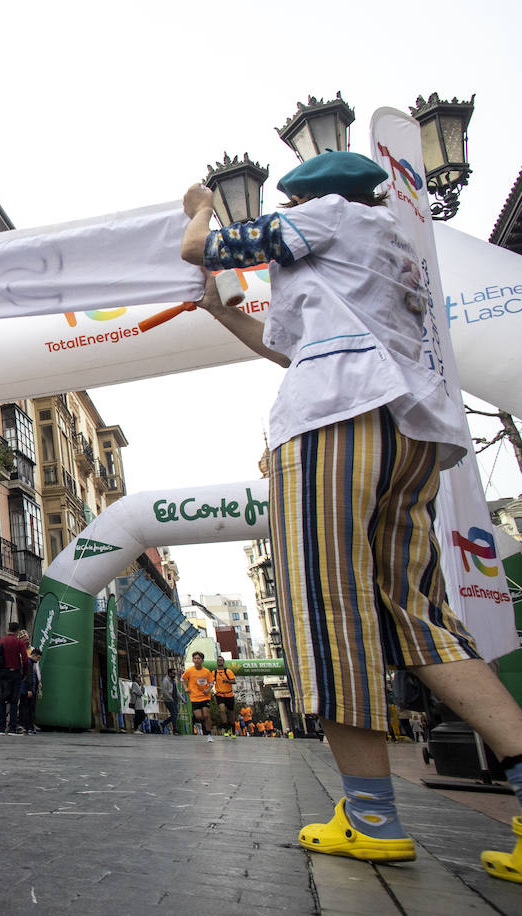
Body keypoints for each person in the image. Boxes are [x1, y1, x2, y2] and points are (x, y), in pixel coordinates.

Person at [181, 152, 522, 881]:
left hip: (333, 426)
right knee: (418, 615)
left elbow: (198, 247)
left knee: (327, 611)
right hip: (411, 431)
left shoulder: (325, 217)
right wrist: (217, 306)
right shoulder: (388, 249)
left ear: (309, 197)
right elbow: (289, 346)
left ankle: (372, 818)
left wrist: (199, 207)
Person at [0, 623, 31, 735]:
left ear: (8, 629)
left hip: (2, 674)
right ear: (18, 631)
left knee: (2, 700)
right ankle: (12, 728)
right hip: (15, 674)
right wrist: (24, 674)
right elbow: (25, 659)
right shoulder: (19, 642)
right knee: (14, 701)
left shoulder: (0, 641)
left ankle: (1, 727)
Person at [180, 651, 215, 741]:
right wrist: (186, 688)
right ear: (192, 660)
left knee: (206, 714)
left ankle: (209, 734)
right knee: (199, 716)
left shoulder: (206, 671)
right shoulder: (189, 671)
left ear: (202, 660)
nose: (196, 660)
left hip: (205, 696)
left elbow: (211, 682)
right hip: (194, 697)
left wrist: (208, 690)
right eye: (195, 658)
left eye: (198, 658)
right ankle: (206, 725)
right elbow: (182, 679)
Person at [19, 647, 43, 735]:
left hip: (26, 689)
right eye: (38, 658)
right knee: (28, 709)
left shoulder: (30, 663)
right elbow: (29, 678)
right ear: (34, 656)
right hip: (27, 690)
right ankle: (28, 727)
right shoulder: (29, 663)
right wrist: (30, 689)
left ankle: (27, 726)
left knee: (27, 708)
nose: (38, 660)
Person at [212, 656, 237, 738]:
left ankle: (232, 728)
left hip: (229, 694)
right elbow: (211, 681)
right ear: (216, 662)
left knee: (231, 713)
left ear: (223, 662)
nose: (219, 662)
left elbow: (234, 681)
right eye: (218, 660)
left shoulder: (228, 671)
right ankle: (226, 727)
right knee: (222, 710)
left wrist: (227, 681)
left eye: (221, 660)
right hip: (219, 694)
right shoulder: (214, 672)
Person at [159, 667, 179, 735]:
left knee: (175, 714)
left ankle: (163, 724)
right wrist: (170, 698)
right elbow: (164, 691)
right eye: (173, 673)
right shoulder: (166, 680)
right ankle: (175, 729)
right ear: (170, 673)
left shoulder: (173, 680)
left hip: (174, 699)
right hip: (169, 700)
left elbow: (177, 691)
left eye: (175, 673)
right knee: (174, 714)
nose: (175, 675)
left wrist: (182, 699)